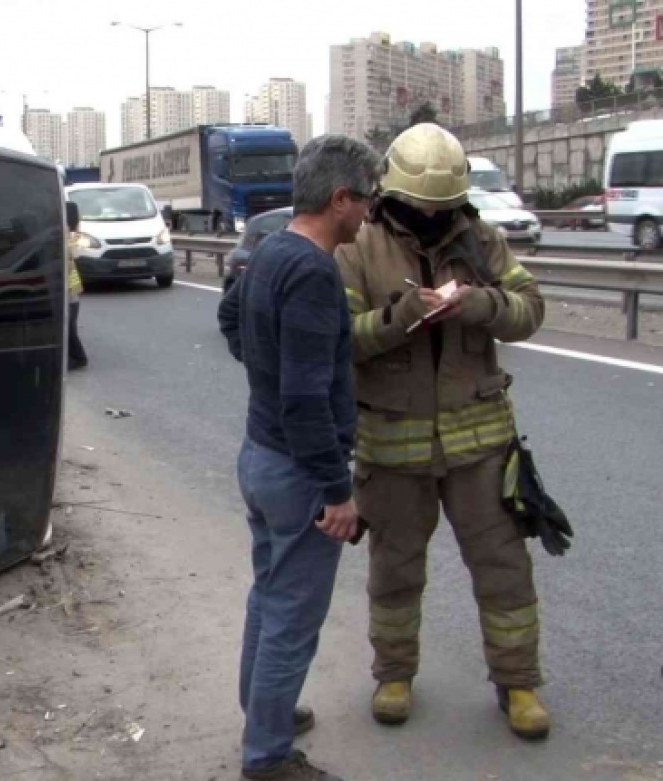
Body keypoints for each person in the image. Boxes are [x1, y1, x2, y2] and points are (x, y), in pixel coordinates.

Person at [334, 123, 549, 739]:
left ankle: (519, 683)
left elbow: (529, 308)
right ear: (392, 194)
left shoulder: (481, 238)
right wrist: (401, 317)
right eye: (421, 207)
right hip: (393, 444)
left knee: (504, 566)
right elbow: (343, 338)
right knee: (395, 568)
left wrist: (482, 305)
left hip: (479, 441)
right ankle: (394, 674)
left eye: (442, 207)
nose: (432, 216)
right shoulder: (359, 246)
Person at [218, 135, 380, 781]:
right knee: (290, 616)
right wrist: (338, 492)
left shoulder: (267, 250)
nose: (369, 214)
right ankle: (268, 756)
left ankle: (265, 713)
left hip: (259, 457)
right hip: (296, 471)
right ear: (340, 199)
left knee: (269, 596)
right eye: (366, 200)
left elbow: (231, 320)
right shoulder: (313, 271)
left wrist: (265, 369)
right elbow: (307, 399)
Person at [67, 223, 88, 370]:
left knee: (69, 328)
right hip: (70, 293)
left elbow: (77, 251)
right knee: (68, 328)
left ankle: (79, 358)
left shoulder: (68, 243)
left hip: (70, 295)